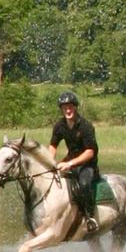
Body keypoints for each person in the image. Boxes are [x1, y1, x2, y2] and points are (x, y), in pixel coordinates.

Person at [50, 91, 100, 233]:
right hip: (69, 161)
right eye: (65, 107)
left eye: (70, 107)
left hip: (87, 166)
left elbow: (90, 152)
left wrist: (70, 164)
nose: (68, 110)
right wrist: (50, 161)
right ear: (61, 109)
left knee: (84, 184)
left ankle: (90, 217)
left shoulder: (85, 126)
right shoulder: (59, 125)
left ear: (75, 107)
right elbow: (53, 145)